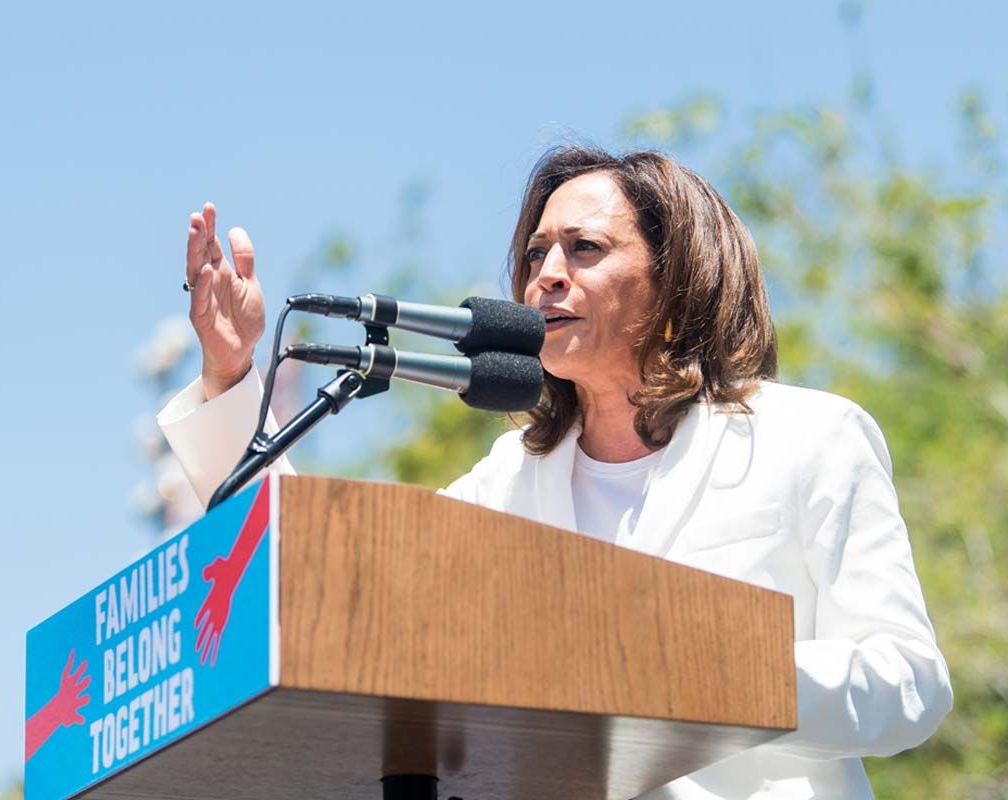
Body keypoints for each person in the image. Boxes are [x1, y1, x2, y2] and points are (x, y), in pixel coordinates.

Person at [157, 146, 953, 799]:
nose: (546, 274)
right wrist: (231, 376)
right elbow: (330, 587)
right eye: (536, 254)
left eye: (585, 249)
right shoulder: (510, 481)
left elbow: (907, 683)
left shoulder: (808, 436)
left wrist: (700, 665)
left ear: (677, 278)